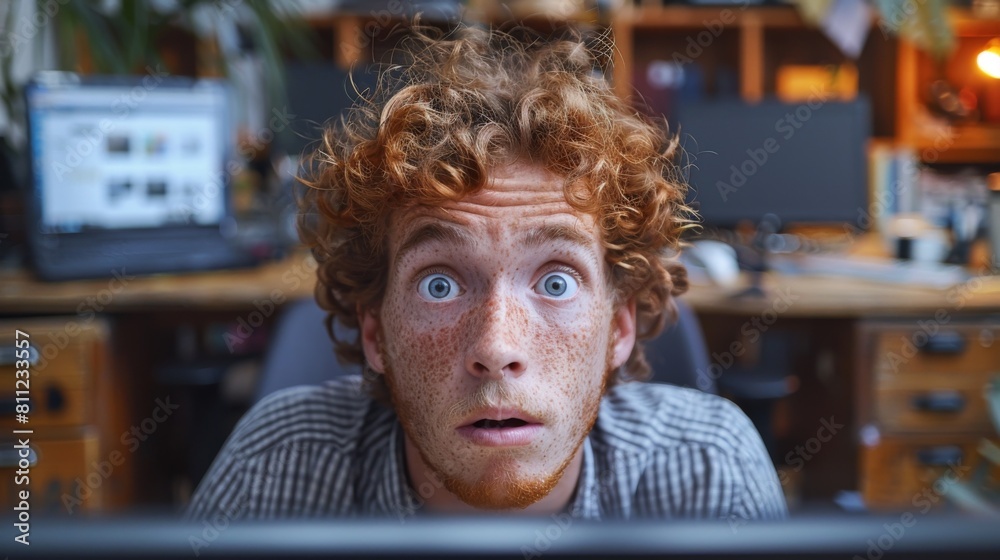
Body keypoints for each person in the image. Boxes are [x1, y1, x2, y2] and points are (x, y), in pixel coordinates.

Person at [186, 25, 786, 523]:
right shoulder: (277, 467)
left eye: (556, 281)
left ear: (619, 327)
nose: (497, 347)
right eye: (439, 283)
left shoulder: (709, 476)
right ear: (375, 333)